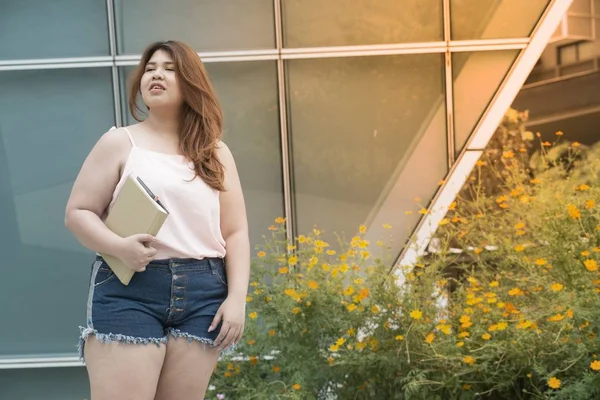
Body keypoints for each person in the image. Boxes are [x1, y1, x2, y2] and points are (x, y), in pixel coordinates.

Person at [65, 40, 250, 400]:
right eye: (150, 68)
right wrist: (119, 246)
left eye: (169, 68)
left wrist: (237, 298)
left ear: (191, 82)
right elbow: (77, 213)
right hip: (130, 288)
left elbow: (236, 232)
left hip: (204, 293)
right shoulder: (120, 142)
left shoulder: (215, 152)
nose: (156, 74)